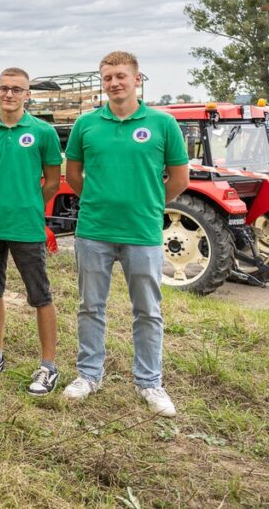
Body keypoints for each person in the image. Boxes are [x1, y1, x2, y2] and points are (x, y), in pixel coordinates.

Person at [62, 51, 189, 417]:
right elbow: (74, 176)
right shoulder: (86, 125)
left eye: (120, 76)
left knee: (148, 311)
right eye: (107, 78)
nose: (114, 83)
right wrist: (101, 201)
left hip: (143, 233)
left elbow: (179, 179)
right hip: (94, 231)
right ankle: (89, 375)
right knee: (90, 307)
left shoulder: (162, 124)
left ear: (137, 79)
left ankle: (150, 382)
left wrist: (146, 204)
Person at [0, 67, 63, 396]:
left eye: (16, 89)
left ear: (28, 94)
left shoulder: (43, 132)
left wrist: (29, 204)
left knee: (41, 296)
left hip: (27, 227)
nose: (9, 94)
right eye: (3, 88)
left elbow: (52, 180)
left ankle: (48, 366)